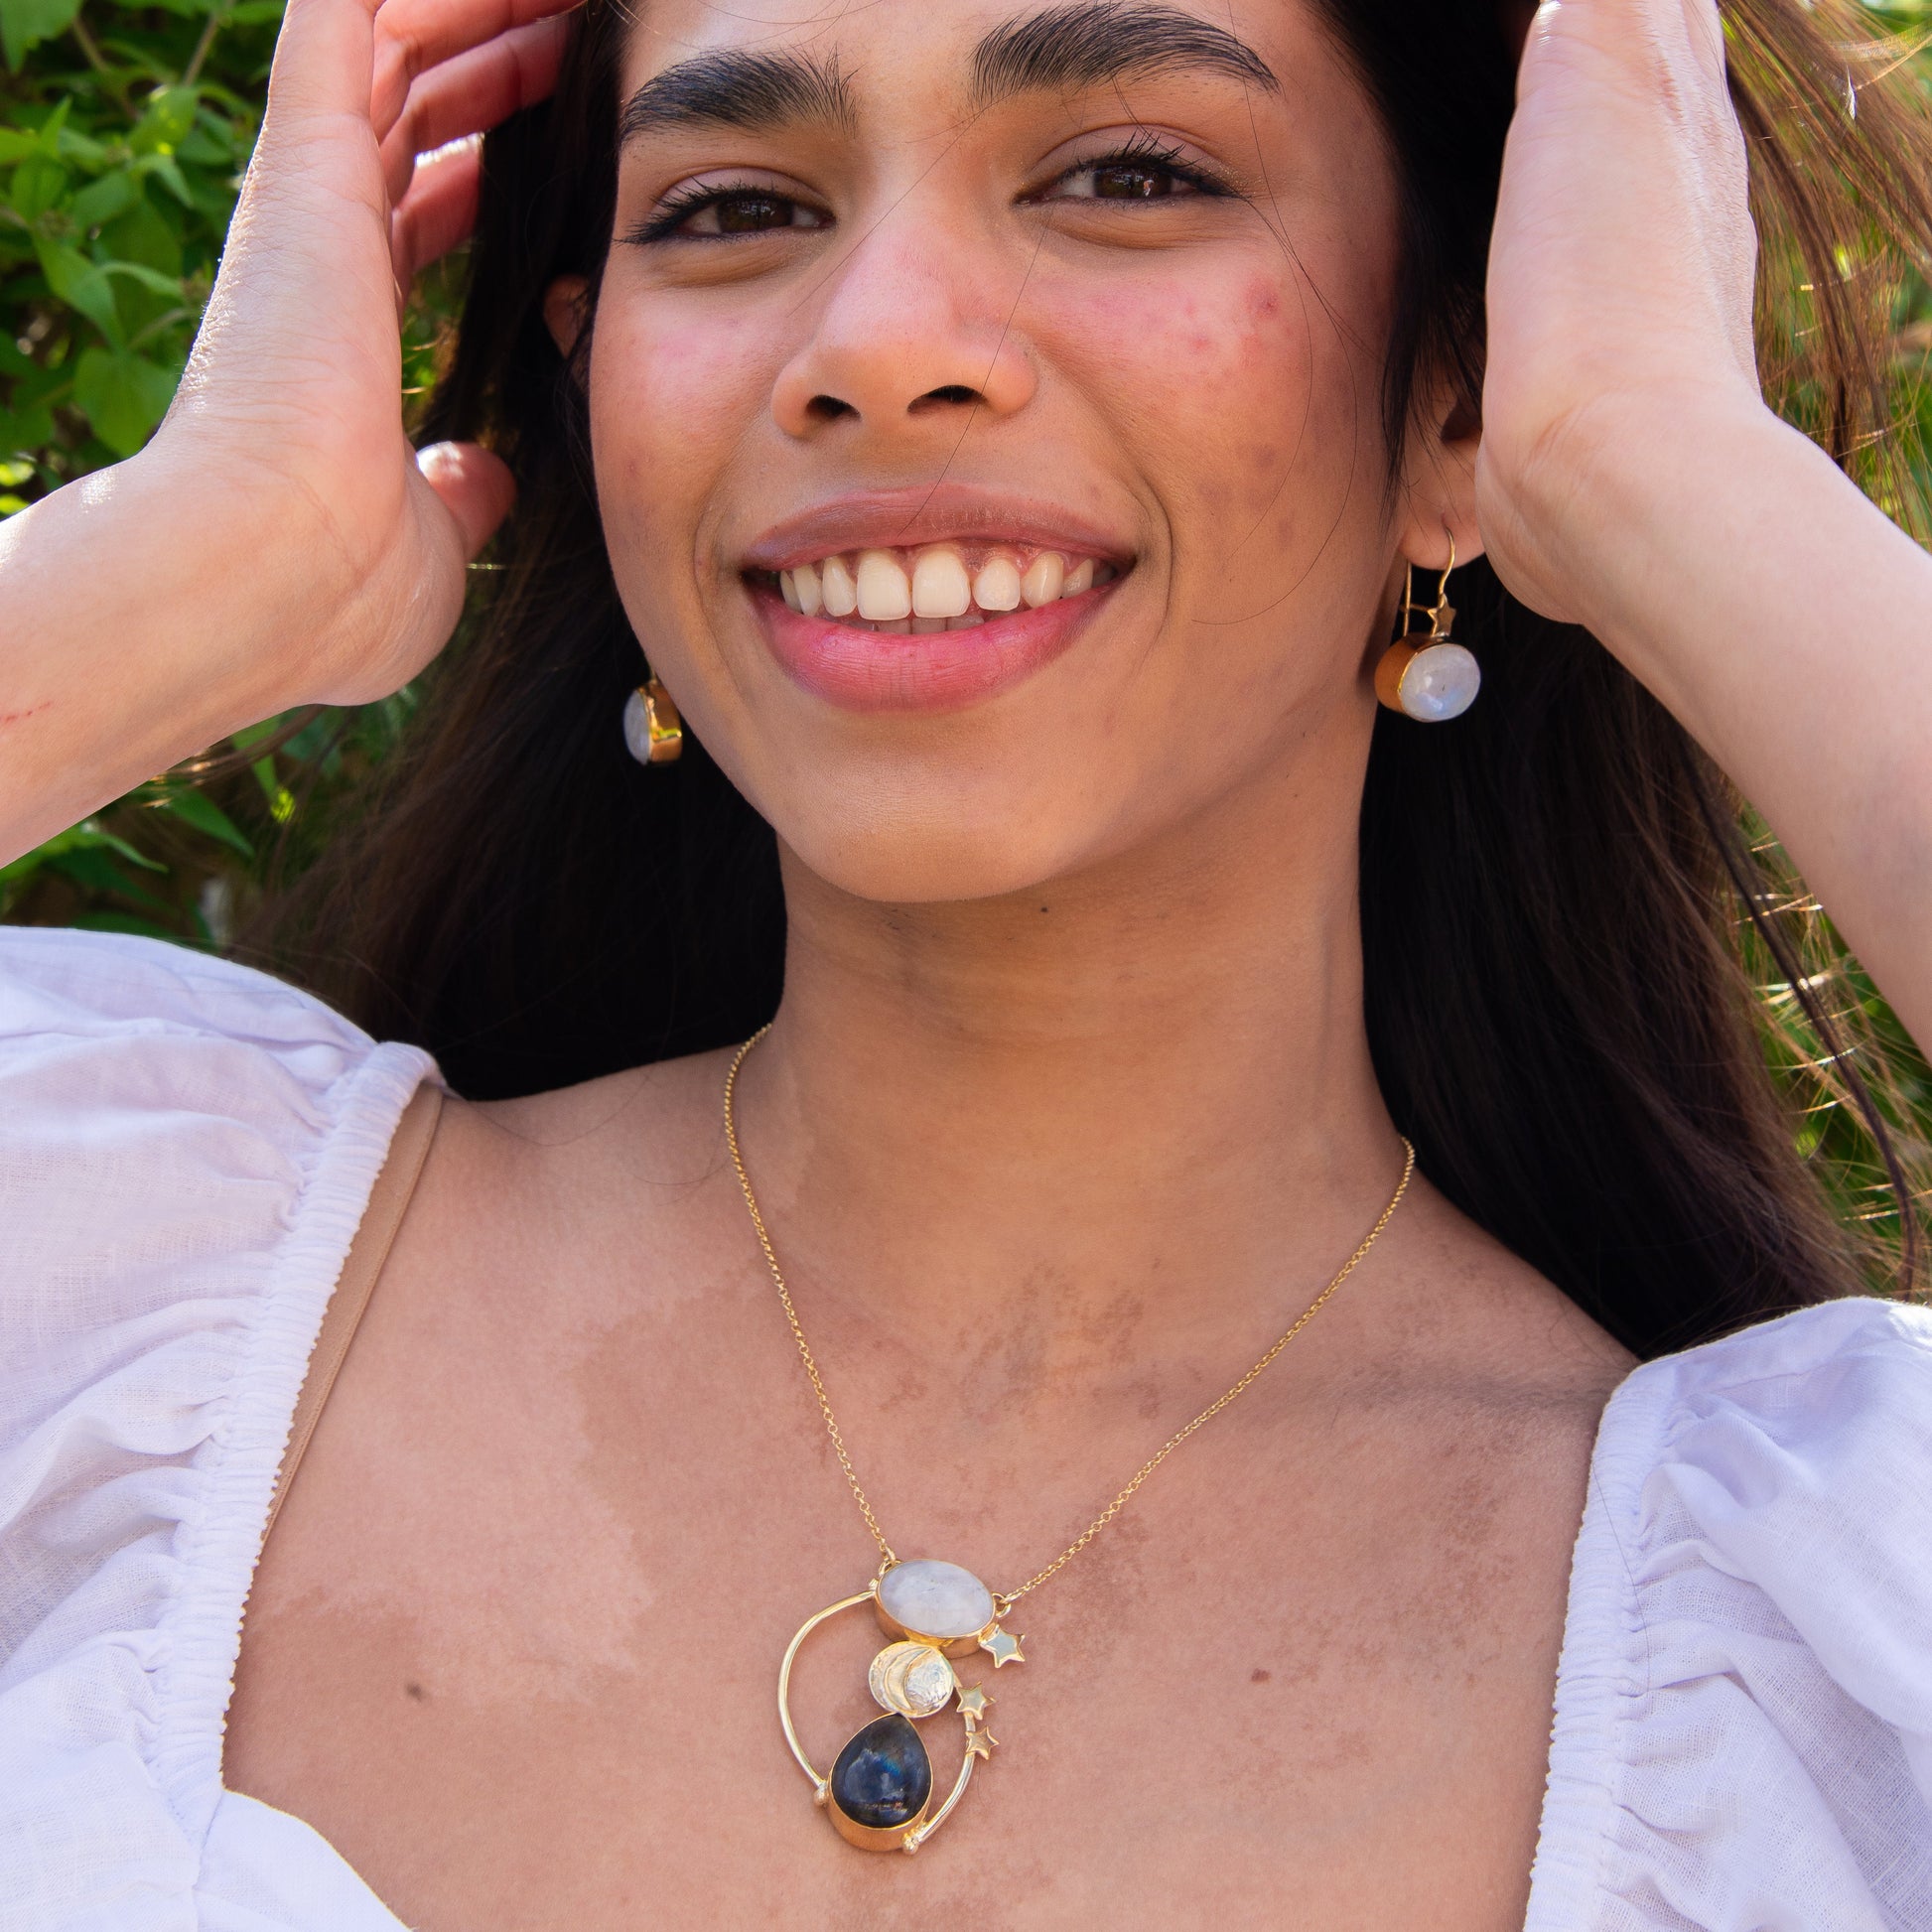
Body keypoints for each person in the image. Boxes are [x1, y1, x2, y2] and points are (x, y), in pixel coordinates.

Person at [3, 0, 1931, 1921]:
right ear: (597, 407)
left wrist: (1672, 471)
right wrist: (200, 562)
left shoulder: (1821, 1664)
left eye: (1125, 176)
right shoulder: (109, 1286)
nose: (877, 348)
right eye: (735, 206)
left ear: (1456, 392)